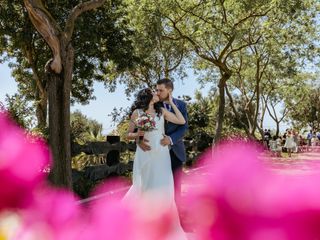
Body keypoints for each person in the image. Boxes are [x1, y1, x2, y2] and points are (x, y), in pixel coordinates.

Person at [124, 87, 187, 239]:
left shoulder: (161, 112)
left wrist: (171, 102)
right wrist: (137, 136)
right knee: (144, 187)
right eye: (154, 91)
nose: (157, 93)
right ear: (147, 95)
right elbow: (127, 135)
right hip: (145, 153)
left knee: (164, 187)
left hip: (161, 154)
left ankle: (164, 226)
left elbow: (181, 120)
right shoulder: (137, 113)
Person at [139, 78, 188, 202]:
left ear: (169, 90)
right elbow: (141, 125)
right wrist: (139, 140)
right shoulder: (153, 104)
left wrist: (170, 139)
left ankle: (176, 216)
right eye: (156, 90)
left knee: (176, 187)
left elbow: (184, 127)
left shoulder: (181, 105)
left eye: (161, 90)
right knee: (157, 185)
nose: (158, 93)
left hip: (175, 150)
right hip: (156, 151)